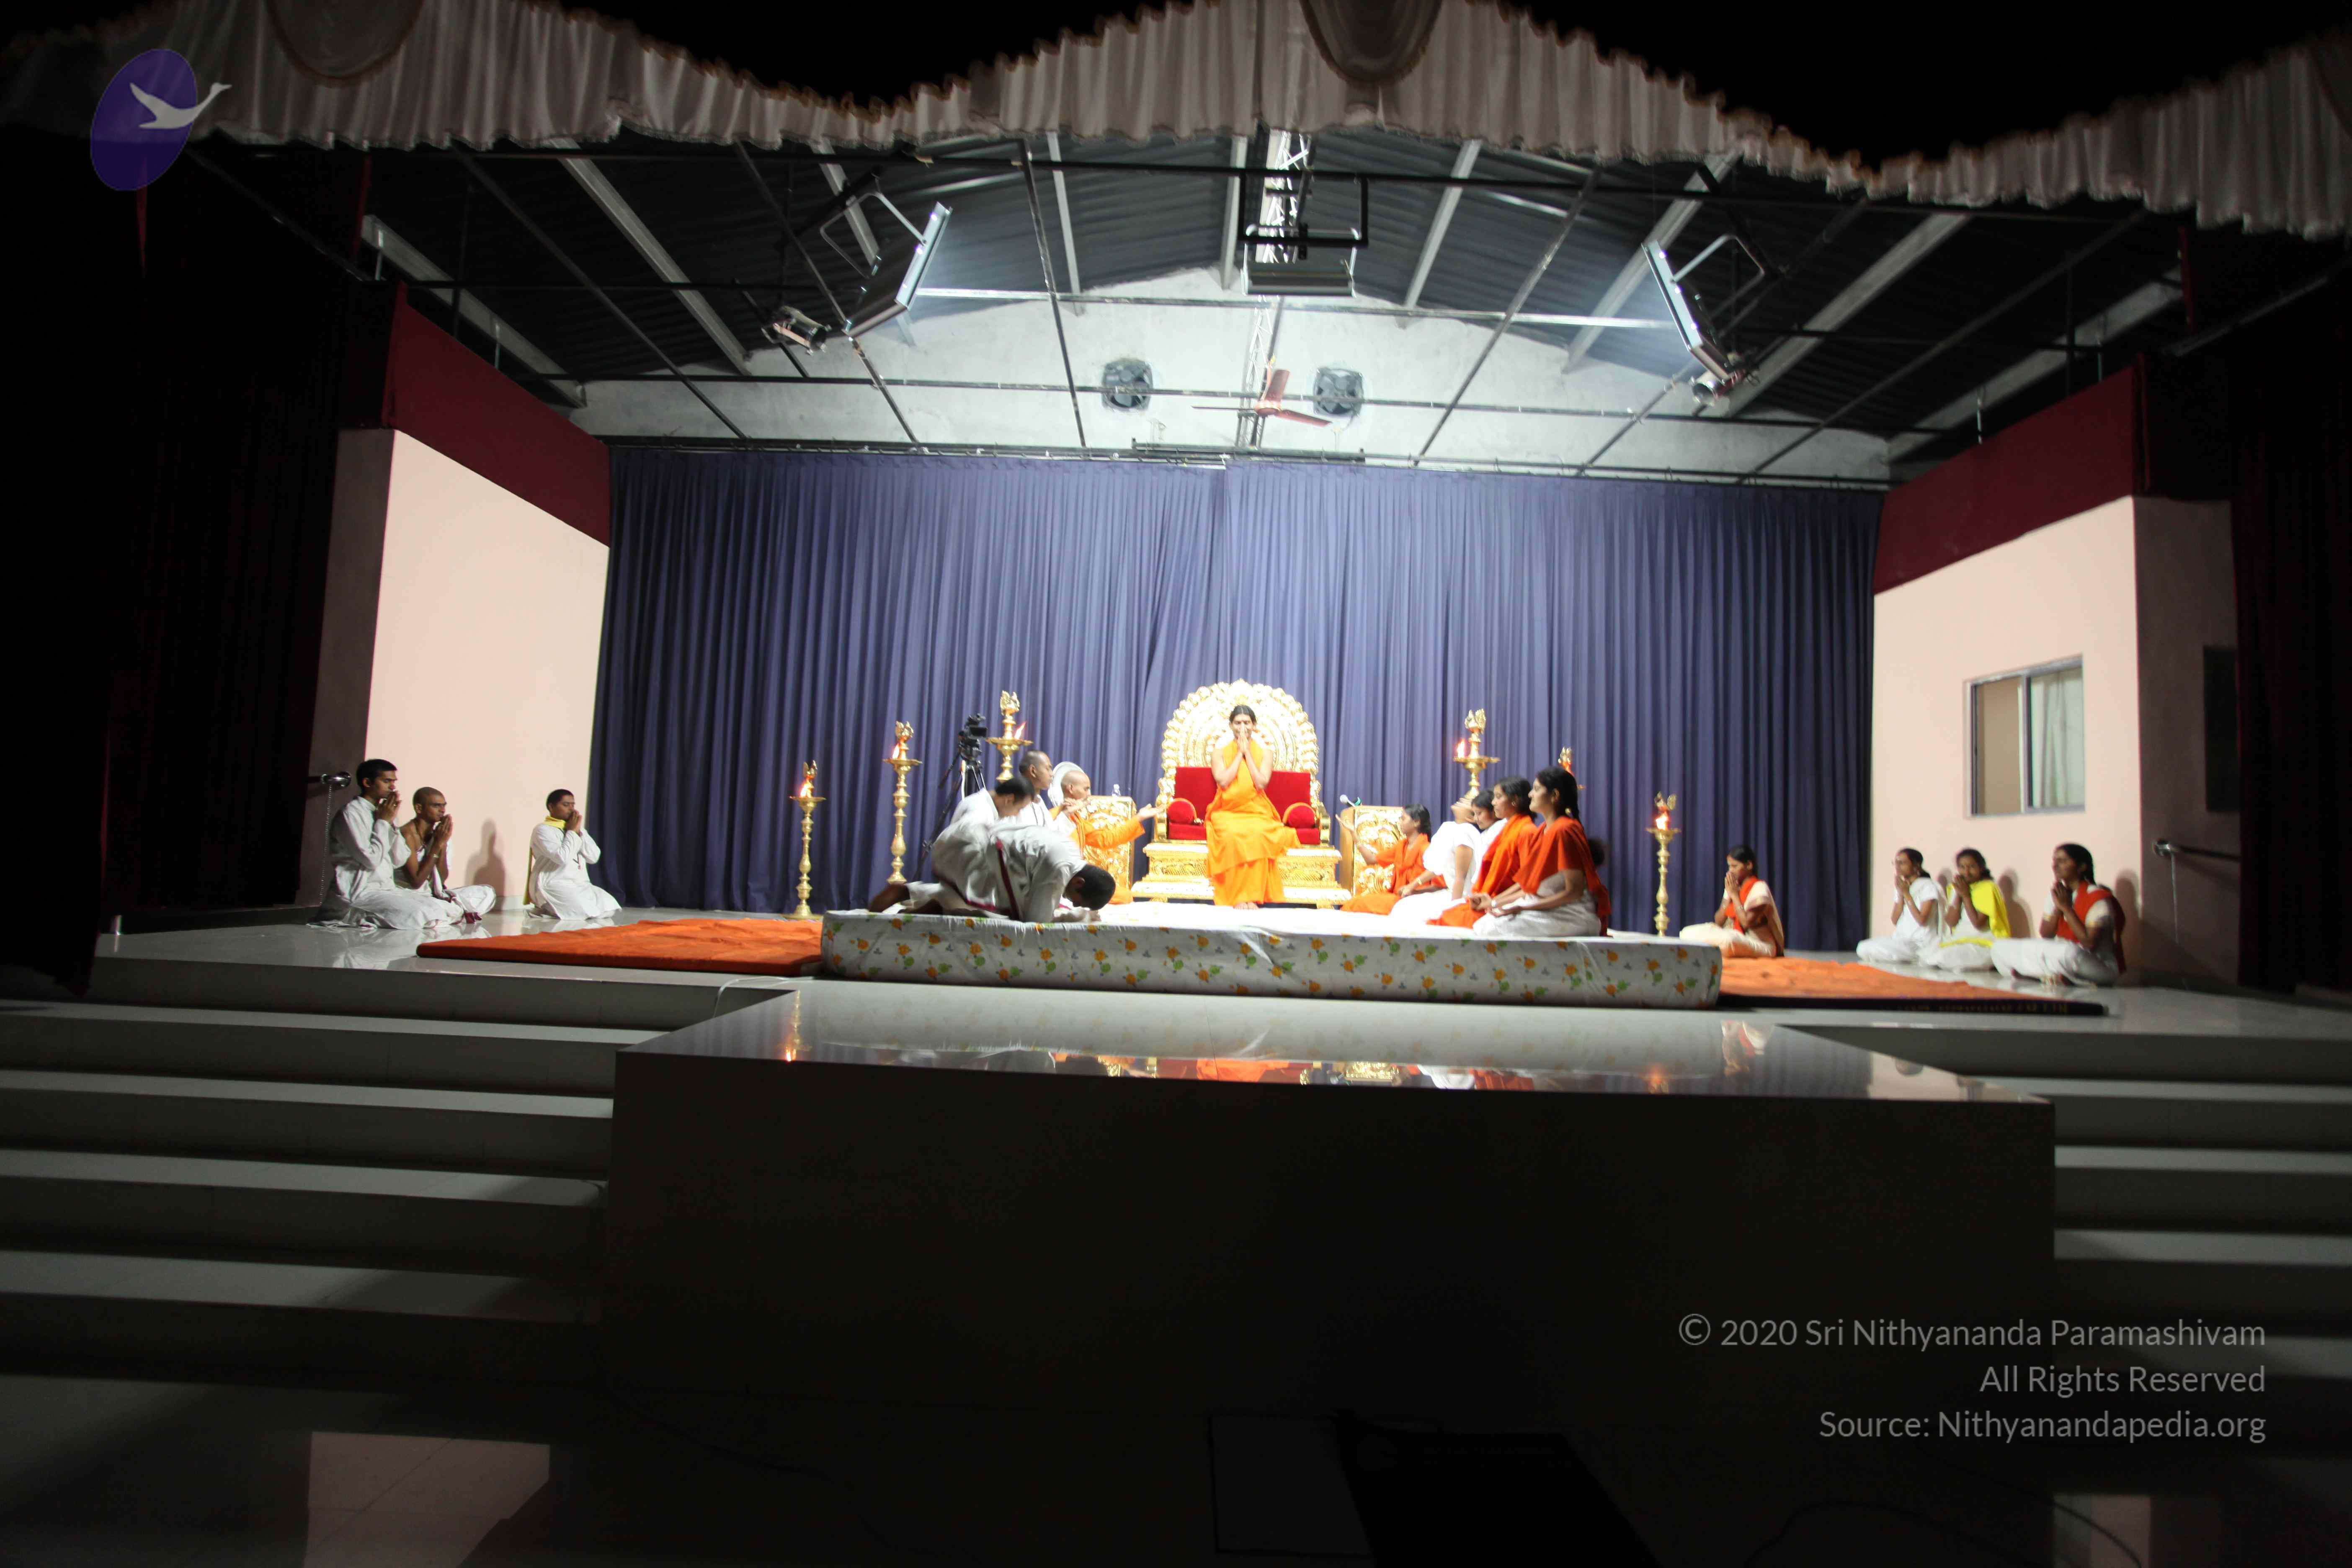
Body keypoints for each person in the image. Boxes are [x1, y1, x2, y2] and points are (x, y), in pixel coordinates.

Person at [321, 760, 462, 929]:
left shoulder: (385, 812)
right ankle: (354, 915)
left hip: (387, 888)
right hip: (360, 891)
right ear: (367, 783)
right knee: (422, 914)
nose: (393, 787)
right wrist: (383, 823)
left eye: (394, 781)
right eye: (387, 781)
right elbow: (371, 860)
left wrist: (391, 823)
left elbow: (398, 859)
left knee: (450, 909)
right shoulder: (351, 814)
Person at [1473, 766, 1610, 937]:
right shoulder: (1543, 829)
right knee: (1486, 922)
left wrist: (1523, 907)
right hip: (1546, 907)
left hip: (1571, 913)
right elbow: (1530, 886)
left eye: (1537, 789)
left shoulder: (1564, 830)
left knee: (1493, 928)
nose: (1531, 794)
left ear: (1555, 795)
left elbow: (1574, 892)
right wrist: (1493, 902)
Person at [874, 776, 1035, 914]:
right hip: (961, 859)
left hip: (958, 858)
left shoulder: (983, 803)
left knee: (954, 901)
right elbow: (970, 835)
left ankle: (913, 897)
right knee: (979, 906)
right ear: (1009, 800)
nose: (1017, 814)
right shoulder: (979, 809)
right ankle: (910, 895)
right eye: (1019, 809)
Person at [1991, 843, 2127, 986]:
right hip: (2061, 955)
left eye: (2063, 861)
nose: (2055, 866)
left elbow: (2088, 943)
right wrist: (2058, 907)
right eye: (2055, 861)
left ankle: (2043, 975)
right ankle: (2056, 976)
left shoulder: (2097, 898)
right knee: (1999, 947)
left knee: (2070, 953)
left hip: (2098, 965)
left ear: (2082, 867)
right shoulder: (2058, 894)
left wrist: (2066, 908)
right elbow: (2046, 934)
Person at [1204, 704, 1298, 908]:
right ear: (1231, 726)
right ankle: (1237, 897)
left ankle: (1253, 896)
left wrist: (1249, 754)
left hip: (1257, 811)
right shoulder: (1219, 753)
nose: (1243, 727)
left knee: (1258, 834)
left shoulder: (1265, 753)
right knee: (1231, 835)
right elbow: (1223, 781)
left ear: (1254, 725)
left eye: (1247, 723)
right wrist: (1240, 753)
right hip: (1227, 811)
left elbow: (1261, 783)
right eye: (1238, 723)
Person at [1432, 776, 1538, 928]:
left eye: (1499, 797)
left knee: (1448, 920)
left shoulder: (1527, 831)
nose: (1494, 802)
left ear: (1515, 800)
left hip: (1506, 902)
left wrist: (1495, 902)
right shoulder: (1508, 829)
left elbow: (1527, 884)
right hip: (1490, 898)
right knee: (1446, 915)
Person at [962, 824, 1119, 924]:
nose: (1075, 904)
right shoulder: (1059, 871)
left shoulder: (1073, 853)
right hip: (988, 857)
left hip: (995, 843)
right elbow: (1037, 924)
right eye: (1079, 903)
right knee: (1015, 921)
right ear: (1079, 883)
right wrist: (1080, 917)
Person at [1388, 788, 1495, 923]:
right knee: (1404, 905)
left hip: (1461, 896)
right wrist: (1413, 886)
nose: (1462, 800)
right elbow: (1437, 868)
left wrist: (1454, 910)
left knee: (1410, 911)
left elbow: (1460, 879)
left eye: (1467, 802)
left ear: (1471, 817)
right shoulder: (1450, 828)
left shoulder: (1465, 833)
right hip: (1450, 892)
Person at [1679, 844, 1784, 958]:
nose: (1731, 871)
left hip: (1760, 943)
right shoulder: (1733, 887)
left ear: (1749, 865)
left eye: (1735, 866)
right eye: (1729, 866)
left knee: (1728, 941)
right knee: (1687, 932)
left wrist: (1734, 895)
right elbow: (1719, 922)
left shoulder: (1759, 888)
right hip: (1736, 937)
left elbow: (1746, 923)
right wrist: (1729, 896)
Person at [530, 789, 620, 919]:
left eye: (573, 805)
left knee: (609, 907)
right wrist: (572, 832)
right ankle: (549, 909)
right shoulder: (543, 830)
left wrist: (578, 833)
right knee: (584, 912)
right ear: (551, 807)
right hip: (554, 884)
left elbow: (594, 857)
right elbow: (562, 858)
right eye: (566, 805)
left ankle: (559, 911)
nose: (571, 809)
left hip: (580, 884)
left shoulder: (578, 829)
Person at [1926, 847, 2009, 972]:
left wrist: (1966, 896)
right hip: (1960, 941)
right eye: (1962, 867)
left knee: (1946, 958)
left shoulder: (1988, 888)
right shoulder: (1956, 888)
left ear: (1981, 868)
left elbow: (1978, 923)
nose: (1966, 872)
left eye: (1972, 867)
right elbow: (1951, 922)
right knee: (1929, 955)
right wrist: (1959, 895)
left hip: (1983, 943)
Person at [1856, 847, 1941, 965]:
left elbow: (1922, 920)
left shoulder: (1928, 886)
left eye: (1902, 863)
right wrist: (1901, 894)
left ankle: (1916, 957)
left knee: (1873, 950)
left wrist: (1907, 894)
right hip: (1900, 939)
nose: (1897, 867)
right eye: (1896, 863)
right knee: (1862, 947)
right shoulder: (1902, 887)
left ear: (1916, 866)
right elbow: (1895, 920)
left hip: (1919, 943)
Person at [1342, 805, 1432, 916]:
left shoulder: (1427, 849)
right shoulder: (1401, 847)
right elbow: (1371, 860)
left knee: (1355, 905)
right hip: (1398, 899)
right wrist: (1354, 834)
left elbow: (1440, 887)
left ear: (1416, 822)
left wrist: (1413, 890)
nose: (1400, 822)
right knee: (1354, 903)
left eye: (1403, 819)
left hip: (1415, 902)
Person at [1047, 765, 1157, 855]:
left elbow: (1107, 839)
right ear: (1071, 788)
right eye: (1086, 789)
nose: (1089, 794)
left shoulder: (1078, 822)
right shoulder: (1052, 816)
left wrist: (1139, 817)